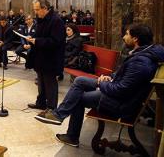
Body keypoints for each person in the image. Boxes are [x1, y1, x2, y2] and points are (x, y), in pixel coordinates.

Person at [35, 23, 164, 148]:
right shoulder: (143, 53)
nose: (124, 37)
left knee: (78, 98)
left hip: (121, 104)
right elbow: (123, 75)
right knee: (80, 81)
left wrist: (103, 83)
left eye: (126, 34)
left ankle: (71, 135)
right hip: (118, 90)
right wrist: (111, 77)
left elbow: (121, 90)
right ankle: (59, 115)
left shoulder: (141, 62)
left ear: (135, 39)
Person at [27, 0, 66, 110]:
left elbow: (55, 41)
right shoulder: (42, 19)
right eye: (35, 9)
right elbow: (41, 35)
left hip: (51, 59)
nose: (35, 12)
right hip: (41, 57)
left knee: (50, 84)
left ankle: (51, 107)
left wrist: (37, 41)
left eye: (37, 9)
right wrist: (32, 38)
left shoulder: (56, 21)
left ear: (45, 8)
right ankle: (41, 103)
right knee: (41, 82)